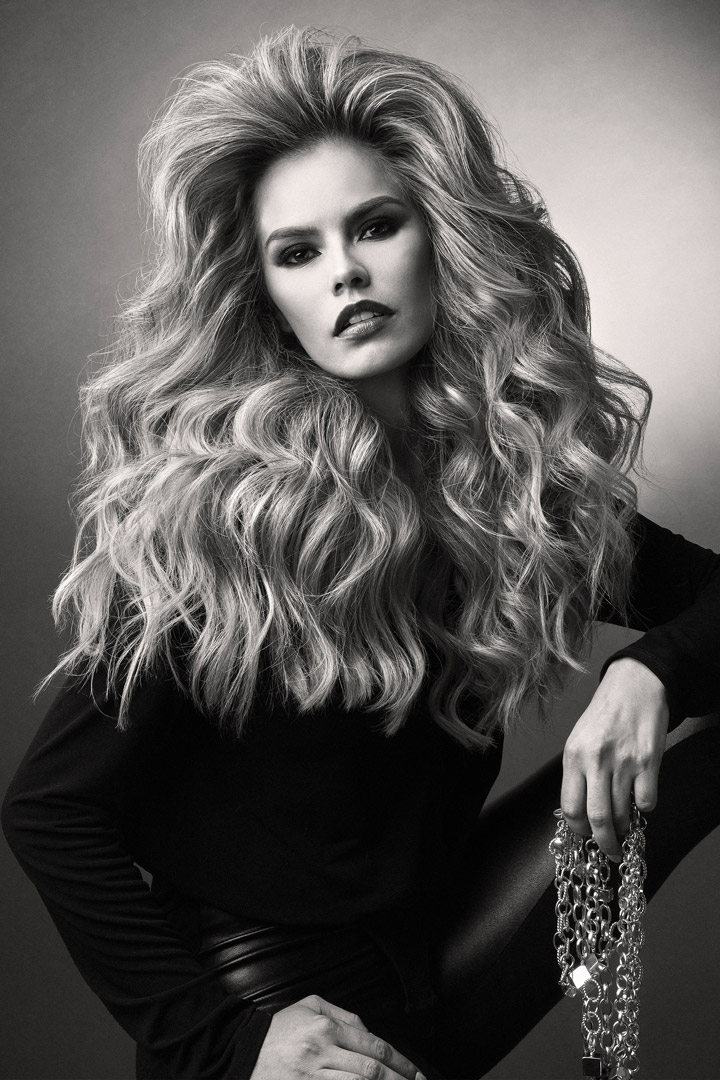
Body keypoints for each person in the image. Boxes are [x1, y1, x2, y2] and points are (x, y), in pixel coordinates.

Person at [3, 25, 720, 1080]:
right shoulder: (221, 518)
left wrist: (646, 672)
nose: (345, 272)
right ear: (266, 295)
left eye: (376, 226)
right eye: (298, 253)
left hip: (441, 956)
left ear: (442, 239)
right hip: (285, 1016)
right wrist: (232, 1046)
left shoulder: (510, 493)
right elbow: (48, 809)